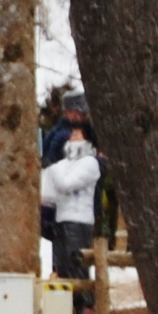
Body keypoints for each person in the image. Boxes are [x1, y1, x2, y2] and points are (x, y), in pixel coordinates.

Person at [40, 118, 100, 283]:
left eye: (78, 134)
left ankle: (84, 298)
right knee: (61, 266)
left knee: (77, 267)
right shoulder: (64, 163)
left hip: (79, 222)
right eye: (72, 133)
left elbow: (66, 184)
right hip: (60, 219)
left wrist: (52, 168)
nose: (73, 137)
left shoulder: (90, 163)